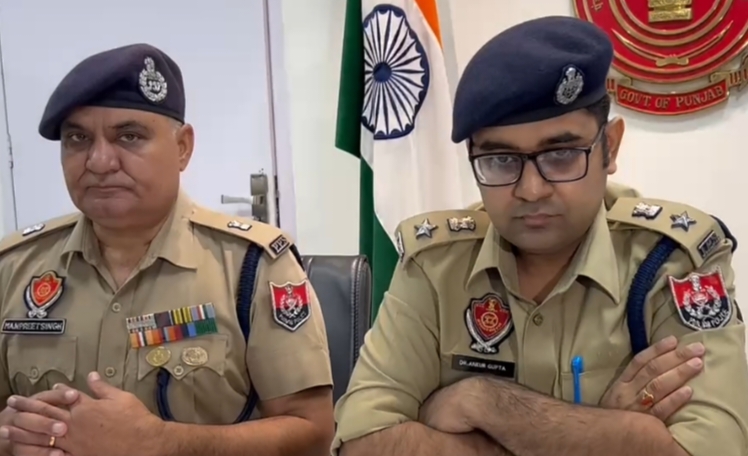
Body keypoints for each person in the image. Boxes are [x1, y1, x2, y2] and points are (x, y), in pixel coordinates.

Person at [332, 16, 748, 456]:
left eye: (561, 154)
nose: (531, 190)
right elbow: (363, 441)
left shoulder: (671, 262)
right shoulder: (436, 265)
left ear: (610, 146)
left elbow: (713, 449)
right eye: (500, 160)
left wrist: (486, 402)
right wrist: (608, 434)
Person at [0, 43, 334, 456]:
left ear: (182, 148)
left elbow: (312, 432)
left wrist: (161, 443)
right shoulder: (14, 267)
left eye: (129, 136)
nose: (99, 161)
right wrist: (10, 436)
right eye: (77, 139)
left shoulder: (253, 265)